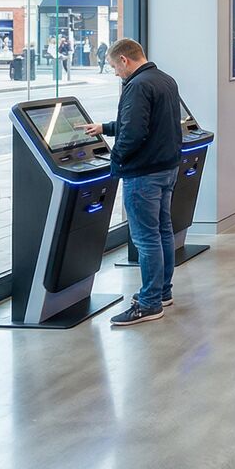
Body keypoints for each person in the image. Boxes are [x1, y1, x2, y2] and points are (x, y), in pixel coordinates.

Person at [77, 39, 182, 327]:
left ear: (125, 60)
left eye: (113, 66)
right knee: (162, 232)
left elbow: (134, 132)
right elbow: (152, 122)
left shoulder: (136, 85)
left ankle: (149, 304)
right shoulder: (164, 79)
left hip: (143, 174)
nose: (114, 73)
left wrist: (117, 158)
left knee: (146, 239)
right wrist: (104, 128)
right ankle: (162, 293)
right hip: (166, 168)